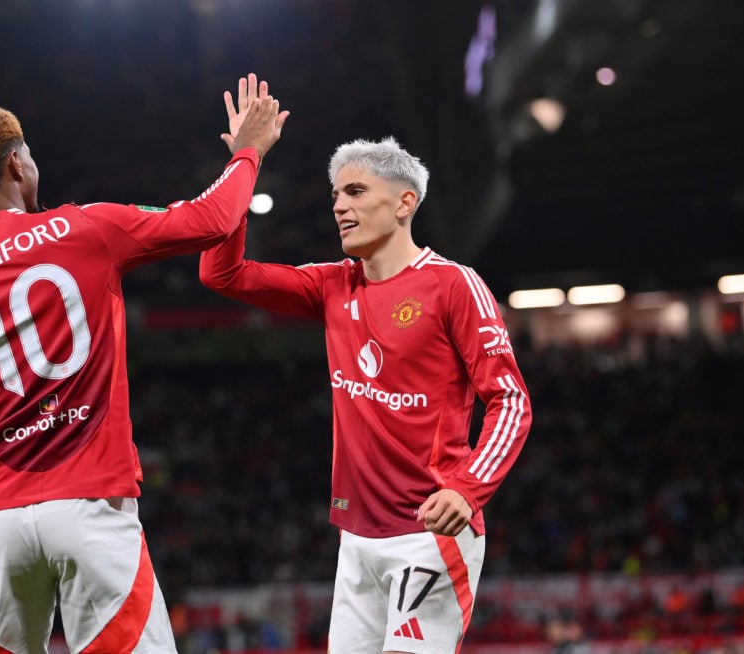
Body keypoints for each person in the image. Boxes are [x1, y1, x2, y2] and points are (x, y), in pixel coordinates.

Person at [0, 91, 288, 653]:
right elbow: (213, 219)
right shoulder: (84, 229)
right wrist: (248, 153)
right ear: (17, 163)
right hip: (93, 509)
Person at [200, 74, 531, 653]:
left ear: (405, 203)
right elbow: (219, 272)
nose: (339, 206)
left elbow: (511, 400)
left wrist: (469, 487)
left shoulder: (453, 284)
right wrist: (245, 161)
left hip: (429, 532)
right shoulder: (332, 286)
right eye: (335, 196)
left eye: (355, 192)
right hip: (356, 538)